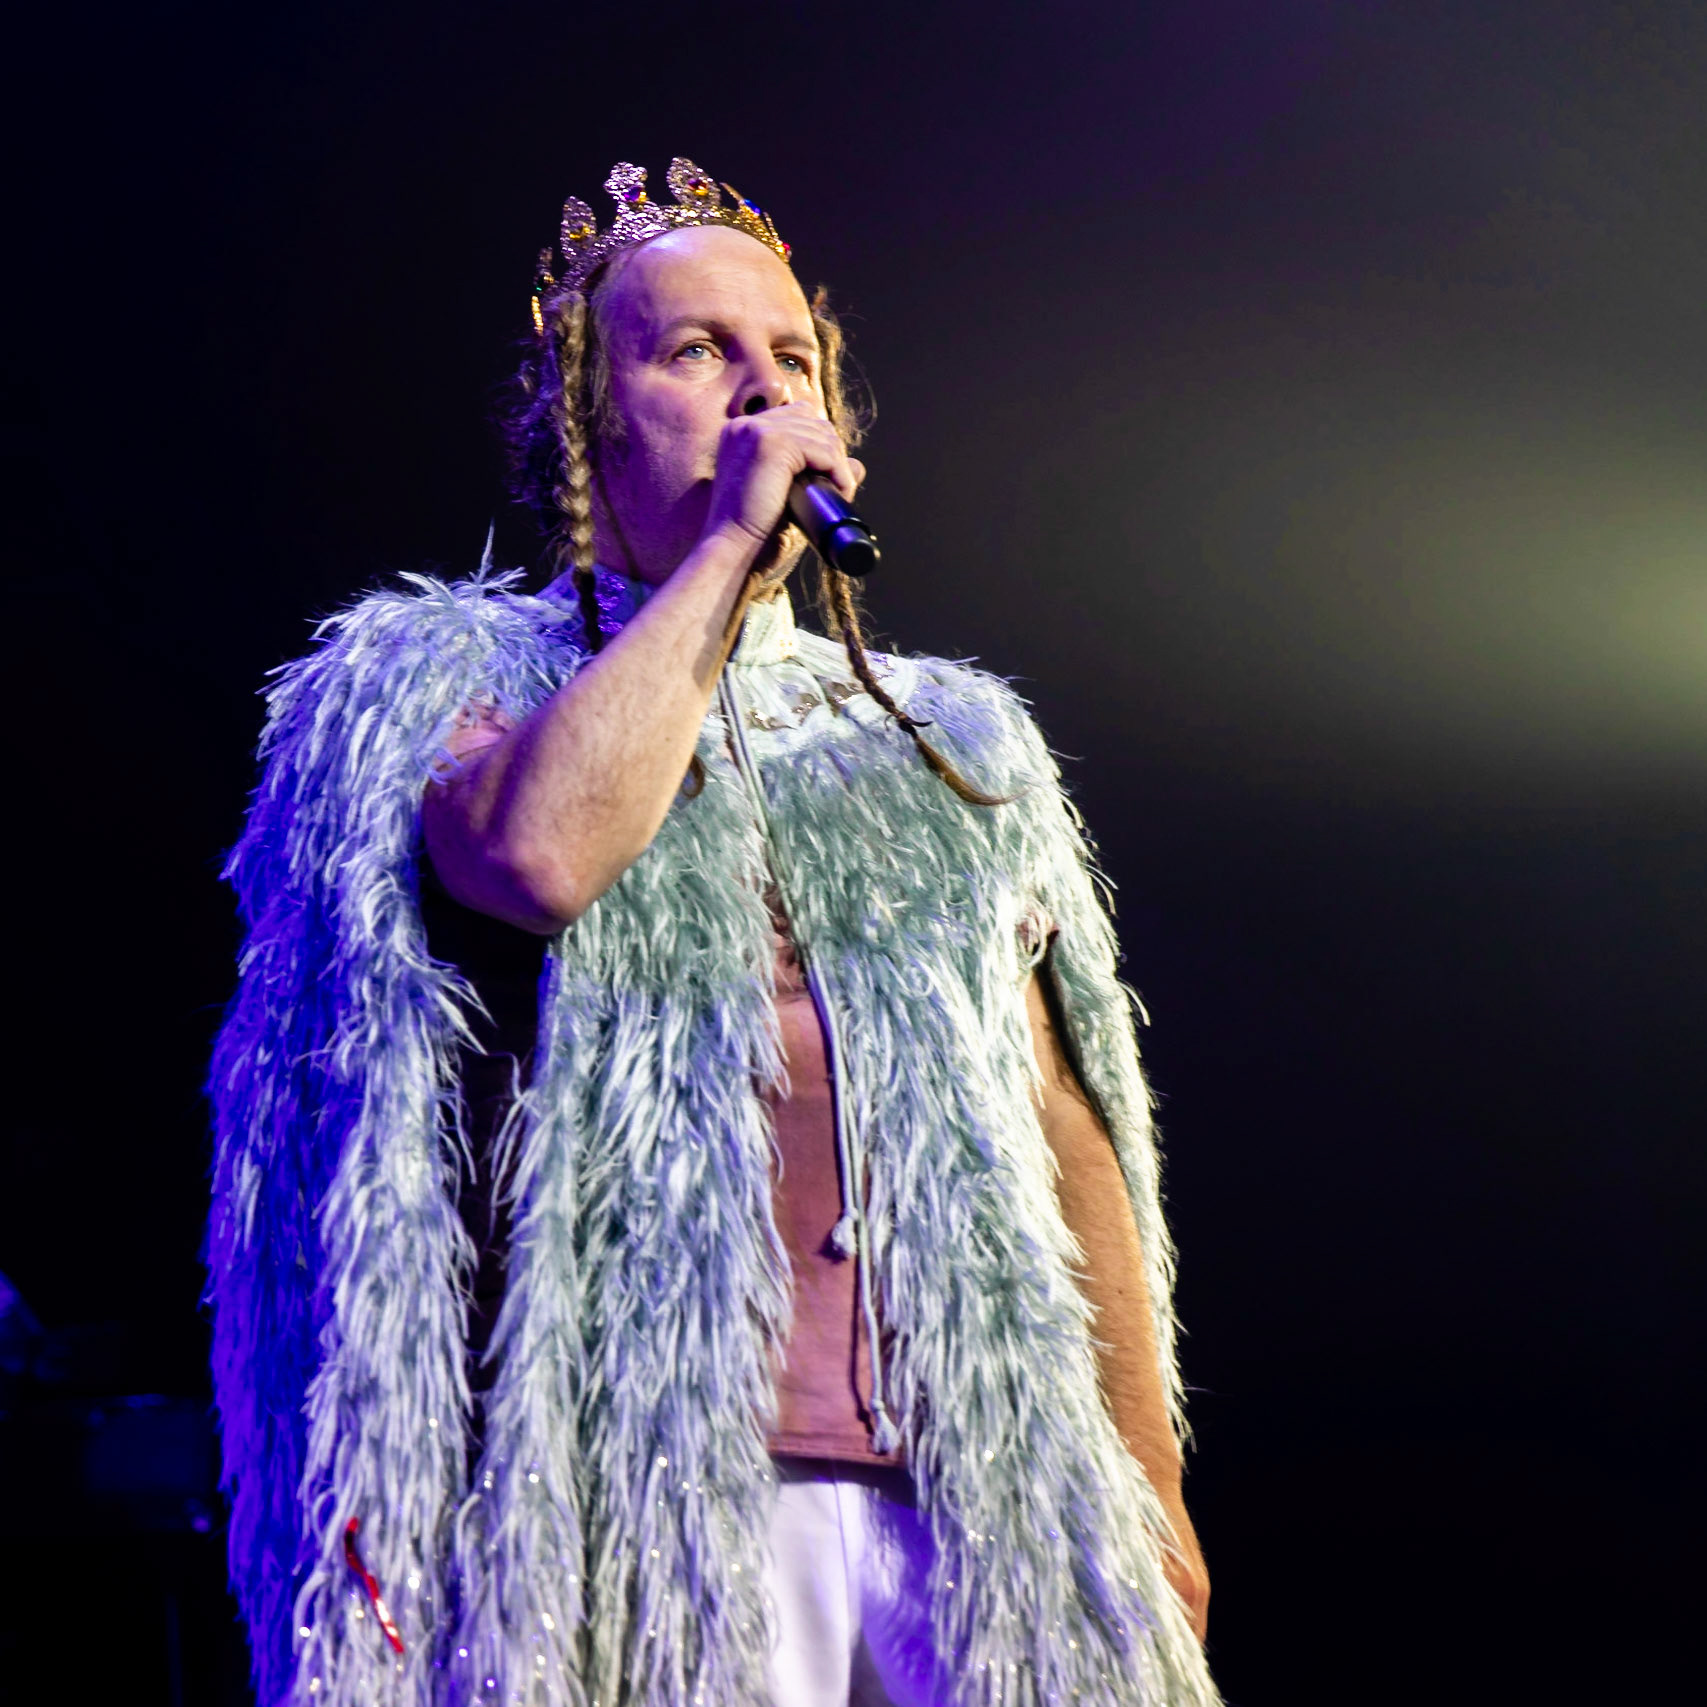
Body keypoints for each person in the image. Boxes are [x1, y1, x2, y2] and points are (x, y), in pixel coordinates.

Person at [208, 158, 1219, 1707]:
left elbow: (1065, 1127)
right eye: (694, 354)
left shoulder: (948, 737)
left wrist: (1147, 1482)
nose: (762, 392)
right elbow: (537, 857)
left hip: (984, 1493)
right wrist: (722, 562)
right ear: (582, 416)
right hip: (646, 1502)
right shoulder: (437, 673)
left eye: (792, 359)